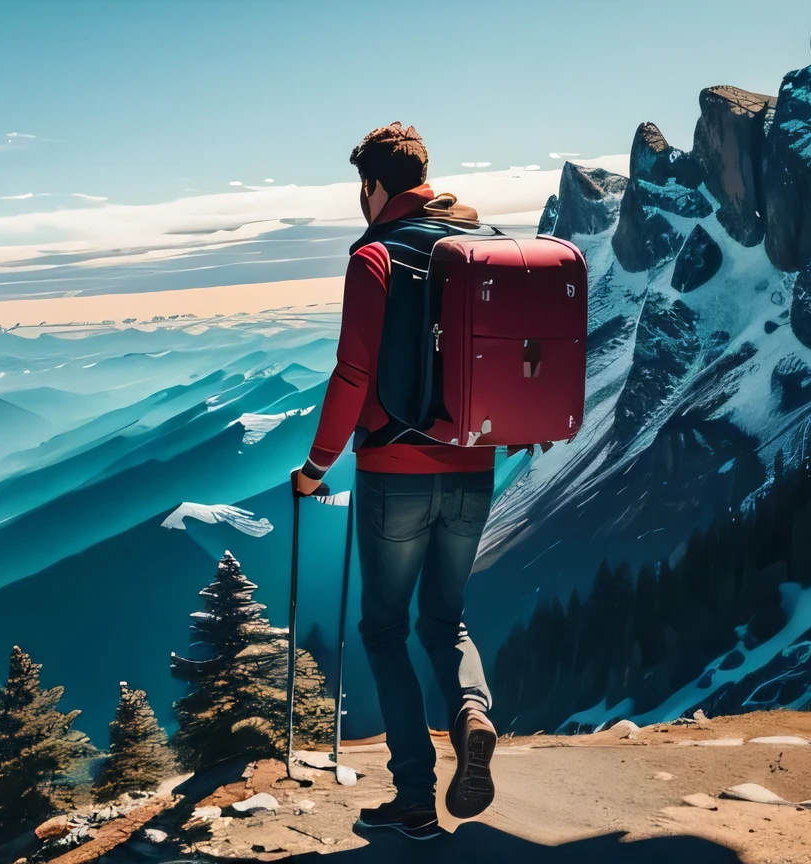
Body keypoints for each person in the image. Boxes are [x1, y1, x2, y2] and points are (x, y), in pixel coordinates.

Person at [291, 122, 498, 840]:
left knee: (384, 627)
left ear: (374, 187)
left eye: (361, 190)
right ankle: (473, 712)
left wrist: (317, 467)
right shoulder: (482, 248)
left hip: (395, 474)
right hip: (475, 467)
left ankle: (414, 795)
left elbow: (353, 373)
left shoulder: (375, 257)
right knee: (447, 620)